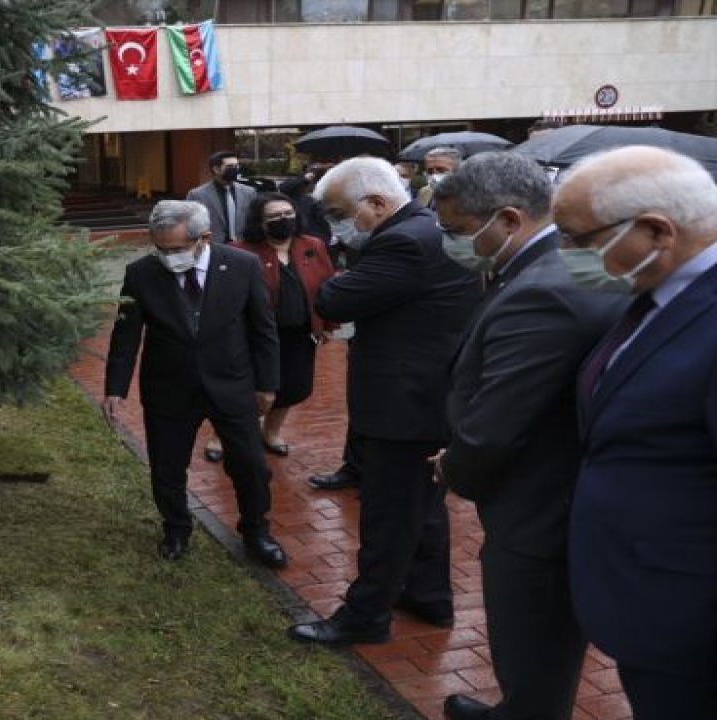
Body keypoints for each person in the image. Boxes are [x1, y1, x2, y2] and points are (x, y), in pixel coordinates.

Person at [429, 152, 626, 720]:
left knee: (531, 643)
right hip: (557, 492)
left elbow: (496, 423)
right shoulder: (565, 265)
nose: (451, 243)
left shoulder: (541, 290)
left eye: (459, 232)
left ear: (509, 219)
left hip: (537, 506)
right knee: (537, 647)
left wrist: (454, 467)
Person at [552, 146, 717, 719]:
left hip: (691, 634)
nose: (566, 255)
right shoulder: (657, 295)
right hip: (648, 604)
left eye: (577, 238)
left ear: (654, 231)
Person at [287, 157, 479, 645]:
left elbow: (333, 300)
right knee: (424, 508)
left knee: (388, 515)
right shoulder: (431, 230)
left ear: (375, 203)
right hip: (428, 398)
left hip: (403, 404)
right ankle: (428, 596)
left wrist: (333, 278)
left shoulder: (402, 242)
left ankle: (365, 615)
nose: (333, 230)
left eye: (337, 214)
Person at [102, 200, 289, 569]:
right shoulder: (140, 274)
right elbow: (126, 336)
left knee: (251, 465)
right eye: (160, 249)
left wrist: (267, 385)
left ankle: (256, 532)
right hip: (169, 389)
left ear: (203, 238)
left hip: (232, 384)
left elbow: (263, 330)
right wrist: (114, 388)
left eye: (175, 249)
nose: (167, 256)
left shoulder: (241, 266)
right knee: (167, 467)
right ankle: (176, 529)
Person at [231, 193, 337, 455]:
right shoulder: (240, 251)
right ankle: (228, 435)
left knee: (290, 387)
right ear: (259, 221)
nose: (283, 219)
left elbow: (327, 285)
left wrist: (327, 324)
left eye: (288, 214)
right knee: (251, 388)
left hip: (300, 334)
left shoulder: (312, 244)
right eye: (274, 216)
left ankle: (271, 432)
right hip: (257, 337)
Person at [186, 151, 257, 245]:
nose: (235, 169)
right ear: (216, 169)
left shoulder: (249, 192)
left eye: (237, 166)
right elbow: (191, 224)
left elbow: (254, 220)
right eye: (230, 166)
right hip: (213, 246)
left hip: (243, 245)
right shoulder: (197, 194)